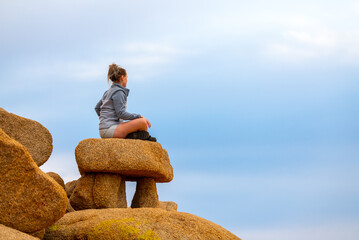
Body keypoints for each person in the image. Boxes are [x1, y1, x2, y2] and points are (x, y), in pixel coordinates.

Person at [95, 63, 155, 141]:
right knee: (143, 123)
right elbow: (121, 113)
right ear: (122, 78)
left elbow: (97, 108)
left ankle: (135, 135)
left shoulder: (108, 92)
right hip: (111, 130)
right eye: (127, 77)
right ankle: (135, 136)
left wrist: (105, 120)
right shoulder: (119, 92)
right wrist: (139, 116)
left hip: (103, 130)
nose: (127, 79)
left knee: (141, 124)